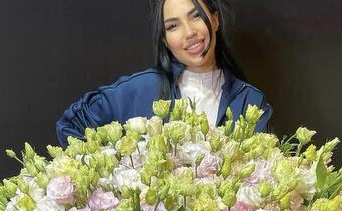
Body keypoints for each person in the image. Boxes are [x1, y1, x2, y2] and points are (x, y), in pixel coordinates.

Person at [56, 0, 273, 148]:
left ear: (215, 20)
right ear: (165, 40)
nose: (189, 33)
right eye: (173, 26)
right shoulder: (142, 90)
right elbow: (70, 126)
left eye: (196, 16)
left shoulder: (250, 102)